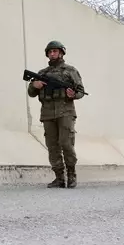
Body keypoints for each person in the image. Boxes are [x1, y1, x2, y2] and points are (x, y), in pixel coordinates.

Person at [27, 40, 85, 188]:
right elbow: (31, 93)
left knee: (66, 143)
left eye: (55, 51)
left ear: (61, 53)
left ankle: (71, 175)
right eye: (50, 51)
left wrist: (73, 95)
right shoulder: (42, 73)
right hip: (47, 113)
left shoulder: (70, 71)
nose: (52, 54)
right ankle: (59, 177)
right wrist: (35, 85)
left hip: (65, 111)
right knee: (52, 146)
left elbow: (80, 91)